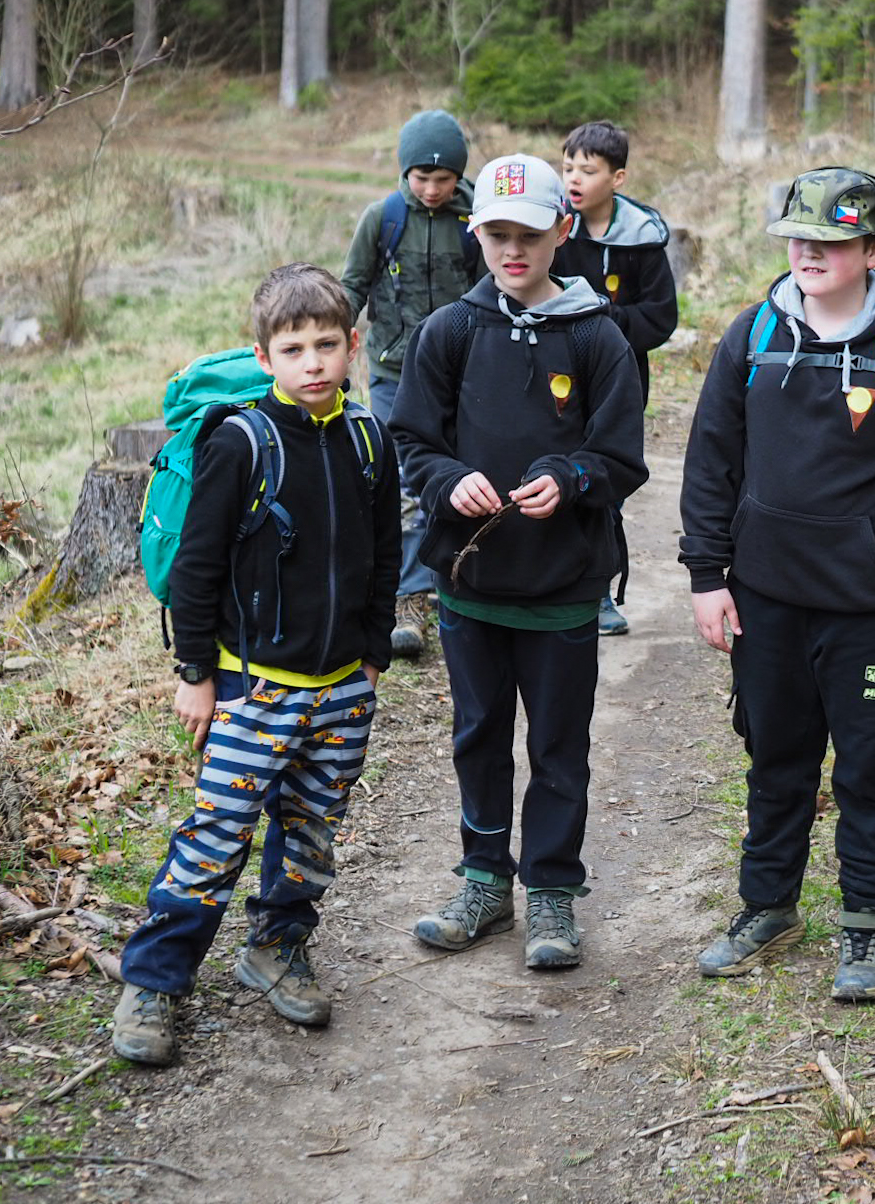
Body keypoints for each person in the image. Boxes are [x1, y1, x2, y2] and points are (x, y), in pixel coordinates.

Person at [679, 168, 875, 1002]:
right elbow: (710, 464)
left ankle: (866, 921)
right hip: (765, 601)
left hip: (873, 611)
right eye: (798, 237)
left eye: (832, 241)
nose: (809, 252)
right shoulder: (750, 337)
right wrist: (706, 575)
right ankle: (767, 906)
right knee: (775, 757)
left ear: (873, 250)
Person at [112, 264, 400, 1066]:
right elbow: (198, 566)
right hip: (251, 687)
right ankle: (155, 980)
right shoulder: (240, 442)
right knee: (216, 836)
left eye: (326, 345)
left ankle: (277, 946)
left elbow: (385, 555)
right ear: (264, 356)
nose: (312, 362)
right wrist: (195, 672)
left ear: (352, 345)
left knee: (310, 834)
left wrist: (373, 655)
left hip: (341, 689)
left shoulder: (369, 440)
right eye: (293, 349)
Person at [392, 154, 647, 971]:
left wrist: (572, 479)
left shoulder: (598, 336)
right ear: (476, 234)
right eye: (497, 234)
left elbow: (621, 457)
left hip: (563, 586)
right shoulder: (449, 331)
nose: (513, 250)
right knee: (478, 735)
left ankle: (551, 888)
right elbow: (413, 441)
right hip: (470, 585)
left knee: (559, 745)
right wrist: (448, 480)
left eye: (529, 235)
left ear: (561, 232)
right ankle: (482, 880)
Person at [341, 109, 484, 659]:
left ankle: (454, 578)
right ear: (405, 172)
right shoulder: (383, 218)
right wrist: (330, 344)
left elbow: (494, 289)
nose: (431, 189)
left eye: (443, 179)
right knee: (398, 480)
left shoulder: (475, 219)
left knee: (451, 474)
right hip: (391, 374)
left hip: (458, 374)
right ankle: (407, 598)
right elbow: (352, 286)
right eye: (421, 177)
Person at [552, 119, 679, 638]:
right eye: (567, 168)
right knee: (556, 475)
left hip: (619, 382)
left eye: (587, 170)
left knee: (604, 486)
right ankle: (556, 582)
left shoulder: (641, 238)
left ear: (618, 178)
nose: (573, 179)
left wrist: (603, 319)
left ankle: (598, 591)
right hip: (557, 381)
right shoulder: (553, 228)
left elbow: (660, 317)